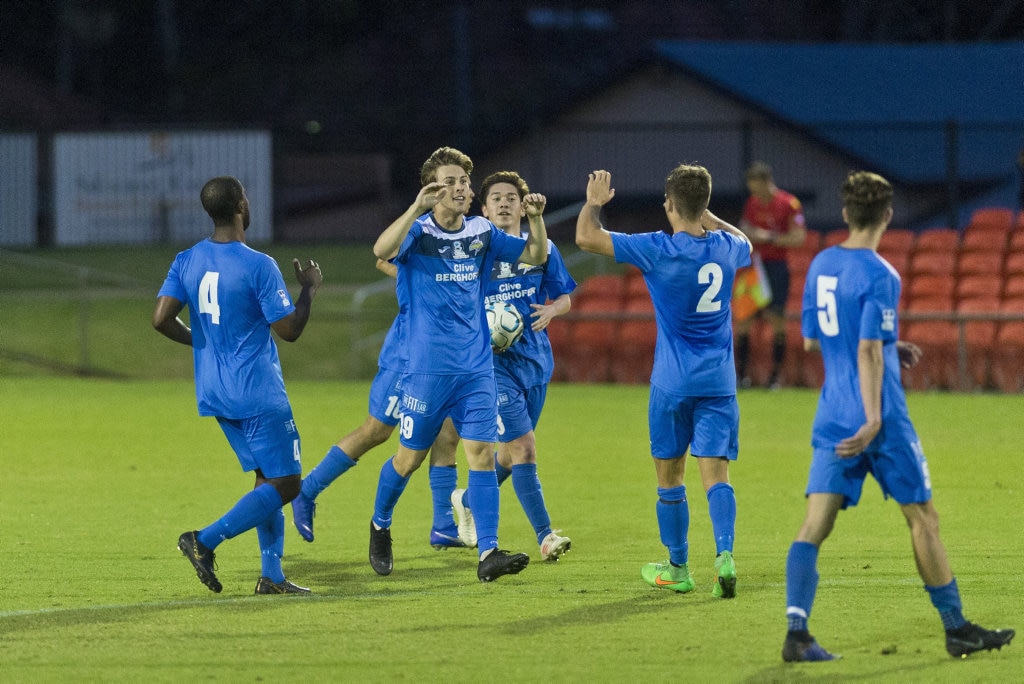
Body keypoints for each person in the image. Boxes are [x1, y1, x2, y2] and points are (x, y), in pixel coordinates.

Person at [782, 170, 1015, 662]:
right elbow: (866, 348)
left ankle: (797, 632)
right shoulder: (881, 274)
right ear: (887, 215)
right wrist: (872, 418)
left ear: (846, 213)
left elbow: (814, 339)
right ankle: (957, 630)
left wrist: (892, 346)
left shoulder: (821, 263)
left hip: (832, 415)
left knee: (813, 526)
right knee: (923, 519)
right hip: (879, 421)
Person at [369, 146, 549, 582]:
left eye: (464, 182)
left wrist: (538, 218)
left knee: (482, 455)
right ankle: (380, 524)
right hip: (427, 371)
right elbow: (380, 248)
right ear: (433, 189)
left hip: (475, 369)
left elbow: (534, 256)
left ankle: (488, 552)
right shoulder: (418, 233)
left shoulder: (482, 232)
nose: (461, 189)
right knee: (408, 460)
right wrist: (416, 207)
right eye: (450, 182)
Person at [575, 166, 752, 597]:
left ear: (669, 205)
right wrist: (706, 216)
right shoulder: (728, 249)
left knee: (670, 477)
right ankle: (725, 556)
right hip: (719, 383)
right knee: (717, 475)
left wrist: (594, 203)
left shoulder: (657, 249)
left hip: (673, 383)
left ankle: (678, 568)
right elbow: (746, 241)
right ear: (704, 204)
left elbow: (585, 237)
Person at [152, 175, 321, 595]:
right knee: (289, 483)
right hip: (257, 392)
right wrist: (309, 290)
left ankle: (273, 577)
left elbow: (159, 318)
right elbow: (289, 330)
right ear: (242, 206)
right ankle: (203, 540)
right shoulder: (257, 264)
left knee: (266, 477)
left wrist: (202, 341)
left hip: (215, 391)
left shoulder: (186, 259)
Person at [426, 170, 576, 562]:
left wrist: (553, 310)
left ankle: (467, 498)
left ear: (524, 206)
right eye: (497, 198)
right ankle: (545, 536)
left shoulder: (539, 246)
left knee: (510, 456)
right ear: (484, 208)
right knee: (524, 448)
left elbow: (565, 296)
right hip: (492, 366)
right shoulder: (476, 251)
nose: (505, 203)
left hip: (536, 362)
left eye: (513, 197)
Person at [290, 259, 468, 550]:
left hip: (445, 359)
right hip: (407, 358)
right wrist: (433, 283)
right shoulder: (424, 229)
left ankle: (444, 525)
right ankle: (306, 491)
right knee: (377, 431)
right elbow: (383, 257)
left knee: (448, 434)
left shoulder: (472, 239)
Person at [735, 161, 807, 389]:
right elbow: (744, 229)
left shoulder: (789, 203)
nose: (755, 193)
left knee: (777, 320)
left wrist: (766, 237)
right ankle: (741, 376)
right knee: (743, 318)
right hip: (754, 267)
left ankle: (774, 378)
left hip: (776, 267)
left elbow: (798, 238)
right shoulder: (752, 203)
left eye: (757, 187)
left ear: (767, 182)